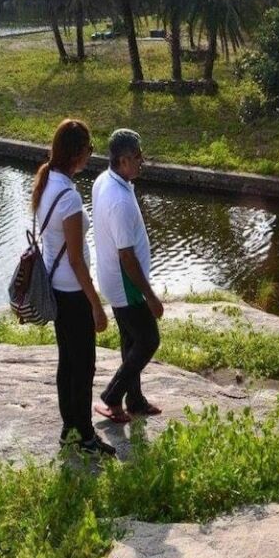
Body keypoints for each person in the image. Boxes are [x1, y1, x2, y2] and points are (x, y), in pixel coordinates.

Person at [32, 119, 113, 455]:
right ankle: (85, 436)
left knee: (67, 362)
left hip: (56, 289)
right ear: (77, 153)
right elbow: (77, 261)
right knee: (83, 366)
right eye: (89, 149)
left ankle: (70, 430)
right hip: (73, 293)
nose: (90, 155)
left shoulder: (46, 181)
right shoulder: (69, 198)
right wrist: (96, 305)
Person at [92, 129, 163, 423]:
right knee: (148, 340)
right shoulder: (119, 200)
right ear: (122, 161)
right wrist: (150, 296)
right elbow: (127, 256)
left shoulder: (105, 180)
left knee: (131, 340)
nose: (142, 160)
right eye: (137, 156)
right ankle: (112, 396)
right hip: (125, 284)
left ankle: (134, 400)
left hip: (113, 278)